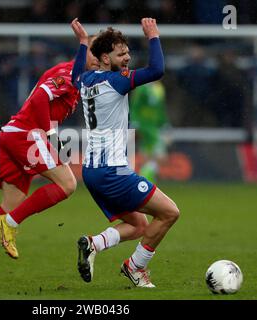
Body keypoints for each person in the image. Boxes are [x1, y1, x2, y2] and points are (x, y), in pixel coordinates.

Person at [0, 18, 99, 284]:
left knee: (8, 206)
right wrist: (49, 135)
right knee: (67, 184)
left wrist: (17, 129)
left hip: (15, 133)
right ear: (85, 53)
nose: (99, 62)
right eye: (96, 55)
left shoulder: (76, 77)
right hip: (28, 135)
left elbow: (38, 102)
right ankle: (11, 224)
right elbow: (40, 96)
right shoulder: (69, 75)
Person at [76, 18, 180, 288]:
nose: (127, 58)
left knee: (139, 225)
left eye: (128, 52)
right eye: (120, 53)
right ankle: (135, 267)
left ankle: (93, 244)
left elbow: (77, 72)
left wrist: (81, 44)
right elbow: (157, 70)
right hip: (112, 172)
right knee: (169, 213)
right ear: (104, 58)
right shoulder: (116, 81)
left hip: (92, 172)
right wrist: (154, 36)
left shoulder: (85, 81)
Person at [130, 81, 171, 184]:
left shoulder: (160, 88)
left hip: (155, 127)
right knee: (159, 157)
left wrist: (164, 124)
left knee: (150, 158)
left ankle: (145, 182)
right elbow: (135, 106)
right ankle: (145, 182)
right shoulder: (142, 89)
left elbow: (160, 109)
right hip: (144, 127)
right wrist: (135, 123)